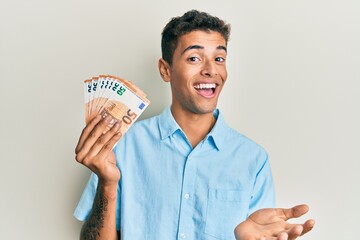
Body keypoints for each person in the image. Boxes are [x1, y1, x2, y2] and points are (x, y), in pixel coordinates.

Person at [74, 10, 315, 240]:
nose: (211, 70)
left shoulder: (254, 159)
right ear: (165, 70)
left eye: (219, 58)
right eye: (194, 58)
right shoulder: (124, 143)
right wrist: (107, 184)